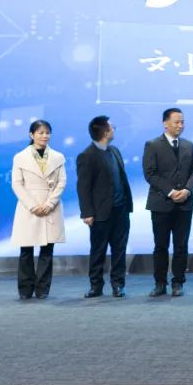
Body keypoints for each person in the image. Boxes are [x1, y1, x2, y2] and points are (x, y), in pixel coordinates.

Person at [142, 108, 193, 298]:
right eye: (176, 122)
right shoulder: (152, 145)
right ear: (165, 123)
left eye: (182, 122)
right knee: (161, 246)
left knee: (181, 246)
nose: (180, 125)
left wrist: (187, 190)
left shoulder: (188, 145)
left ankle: (178, 282)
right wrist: (171, 191)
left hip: (185, 204)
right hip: (161, 203)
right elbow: (150, 174)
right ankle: (160, 283)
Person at [77, 116, 133, 298]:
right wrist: (87, 212)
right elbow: (83, 187)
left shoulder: (115, 151)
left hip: (121, 210)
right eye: (112, 127)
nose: (114, 129)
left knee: (120, 249)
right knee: (98, 250)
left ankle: (118, 284)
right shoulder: (87, 155)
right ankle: (96, 286)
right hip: (100, 212)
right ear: (105, 132)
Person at [10, 120, 66, 300]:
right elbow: (17, 184)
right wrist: (33, 205)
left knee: (47, 250)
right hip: (29, 208)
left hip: (50, 207)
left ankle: (42, 289)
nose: (45, 136)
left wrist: (50, 203)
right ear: (31, 135)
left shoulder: (58, 157)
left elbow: (62, 182)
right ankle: (25, 289)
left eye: (47, 132)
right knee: (26, 250)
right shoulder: (20, 157)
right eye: (41, 132)